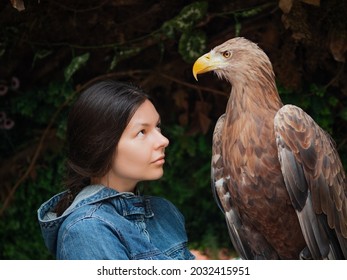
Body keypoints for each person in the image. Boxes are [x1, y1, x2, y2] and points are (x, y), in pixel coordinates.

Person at [37, 80, 195, 260]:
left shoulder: (164, 211)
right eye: (142, 132)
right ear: (101, 145)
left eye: (157, 126)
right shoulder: (88, 230)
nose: (163, 141)